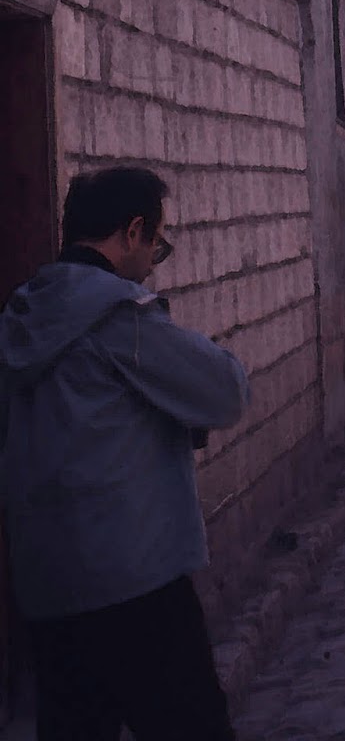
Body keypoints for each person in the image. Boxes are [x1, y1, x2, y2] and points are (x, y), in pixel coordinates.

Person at [0, 165, 249, 740]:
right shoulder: (119, 316)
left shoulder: (21, 315)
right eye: (156, 243)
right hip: (136, 582)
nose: (153, 261)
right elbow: (225, 392)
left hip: (48, 586)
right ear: (132, 232)